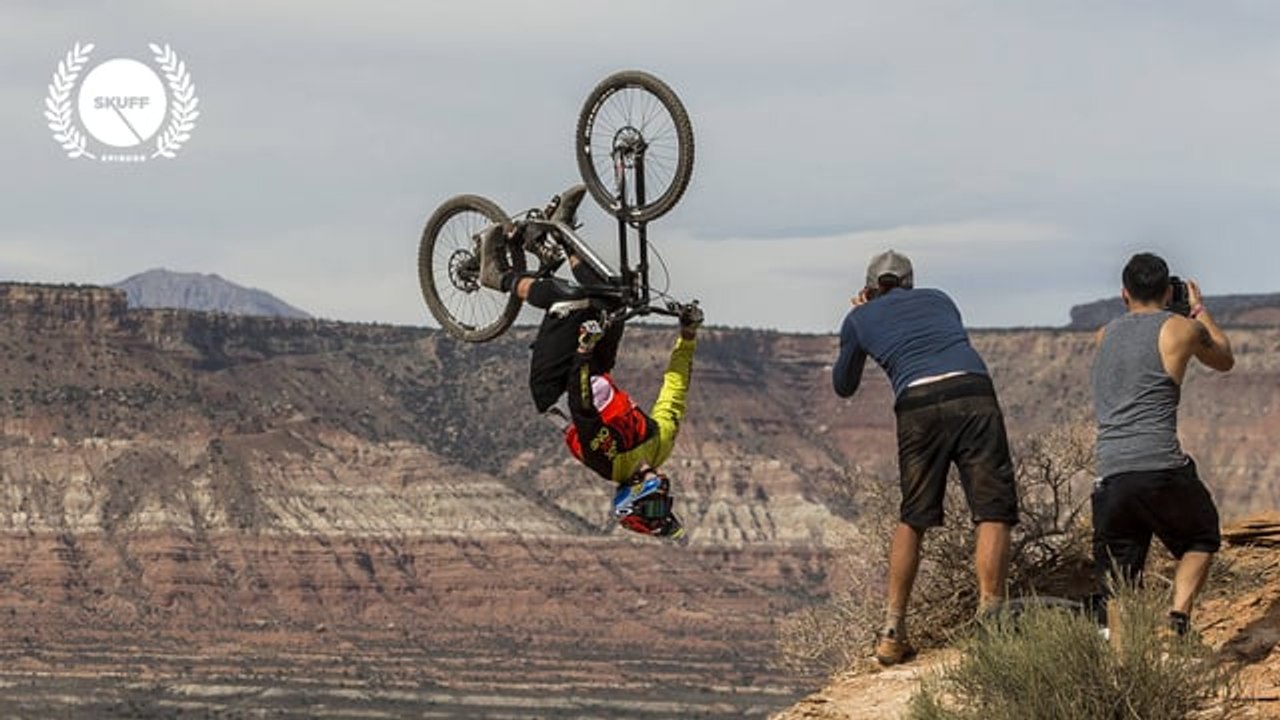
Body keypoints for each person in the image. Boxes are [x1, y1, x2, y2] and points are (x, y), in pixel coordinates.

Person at [478, 184, 703, 542]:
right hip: (595, 367)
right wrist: (687, 335)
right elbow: (675, 390)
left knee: (572, 301)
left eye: (656, 508)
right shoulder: (659, 446)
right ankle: (560, 233)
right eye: (666, 505)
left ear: (633, 502)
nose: (664, 497)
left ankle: (496, 276)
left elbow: (581, 408)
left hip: (555, 386)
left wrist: (583, 349)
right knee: (614, 297)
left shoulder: (609, 462)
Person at [832, 249, 1018, 666]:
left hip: (916, 403)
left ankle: (892, 633)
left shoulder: (859, 318)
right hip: (973, 391)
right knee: (992, 509)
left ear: (868, 287)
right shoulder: (940, 298)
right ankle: (991, 617)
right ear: (911, 282)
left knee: (914, 516)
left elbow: (843, 385)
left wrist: (859, 321)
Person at [1090, 252, 1233, 637]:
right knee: (1201, 536)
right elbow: (1224, 358)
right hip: (1160, 466)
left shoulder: (1102, 336)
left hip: (1110, 473)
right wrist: (1198, 308)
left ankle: (1120, 662)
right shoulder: (1180, 329)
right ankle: (1177, 621)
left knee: (1119, 577)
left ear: (1124, 293)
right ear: (1169, 290)